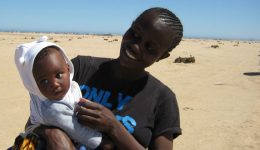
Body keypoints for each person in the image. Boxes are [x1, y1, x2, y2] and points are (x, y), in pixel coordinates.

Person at [34, 7, 183, 150]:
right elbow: (36, 117)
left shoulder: (162, 99)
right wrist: (53, 135)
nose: (136, 47)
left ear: (162, 56)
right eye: (135, 34)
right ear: (129, 27)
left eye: (149, 47)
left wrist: (114, 127)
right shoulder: (79, 68)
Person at [14, 36, 102, 149]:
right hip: (34, 137)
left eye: (58, 75)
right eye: (44, 81)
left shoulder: (72, 86)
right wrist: (102, 142)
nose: (54, 84)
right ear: (34, 85)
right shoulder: (53, 109)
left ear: (68, 68)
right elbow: (80, 132)